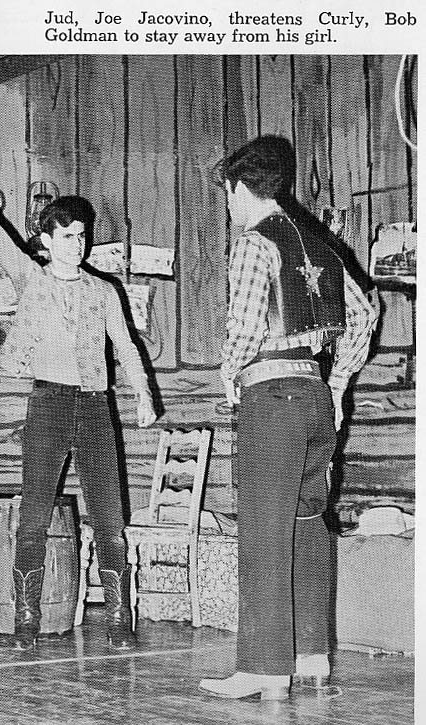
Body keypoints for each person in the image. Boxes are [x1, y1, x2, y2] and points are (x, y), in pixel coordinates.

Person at [0, 129, 156, 651]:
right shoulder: (31, 277)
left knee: (109, 519)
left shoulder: (104, 290)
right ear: (46, 241)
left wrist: (142, 393)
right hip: (48, 404)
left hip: (96, 408)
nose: (77, 244)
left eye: (82, 235)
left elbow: (126, 343)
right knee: (34, 518)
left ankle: (119, 620)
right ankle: (26, 621)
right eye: (67, 236)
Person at [199, 136, 378, 701]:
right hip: (315, 396)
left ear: (238, 188)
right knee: (307, 521)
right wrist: (338, 382)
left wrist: (228, 371)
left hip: (271, 397)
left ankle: (264, 668)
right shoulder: (320, 245)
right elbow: (364, 315)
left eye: (227, 192)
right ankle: (311, 657)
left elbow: (247, 323)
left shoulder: (254, 243)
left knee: (263, 529)